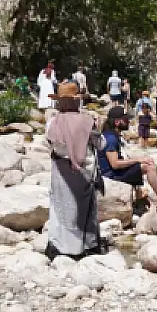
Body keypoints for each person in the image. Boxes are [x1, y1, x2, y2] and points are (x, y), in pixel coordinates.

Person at [44, 81, 104, 260]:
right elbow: (101, 144)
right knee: (84, 210)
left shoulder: (52, 122)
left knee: (60, 208)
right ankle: (86, 247)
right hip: (83, 171)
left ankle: (59, 247)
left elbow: (49, 143)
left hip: (60, 172)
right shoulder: (87, 121)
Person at [97, 105, 157, 211]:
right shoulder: (110, 139)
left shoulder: (110, 135)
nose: (128, 122)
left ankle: (150, 197)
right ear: (117, 122)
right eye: (126, 119)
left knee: (145, 162)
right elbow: (115, 164)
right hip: (111, 175)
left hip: (113, 172)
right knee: (149, 167)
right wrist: (137, 160)